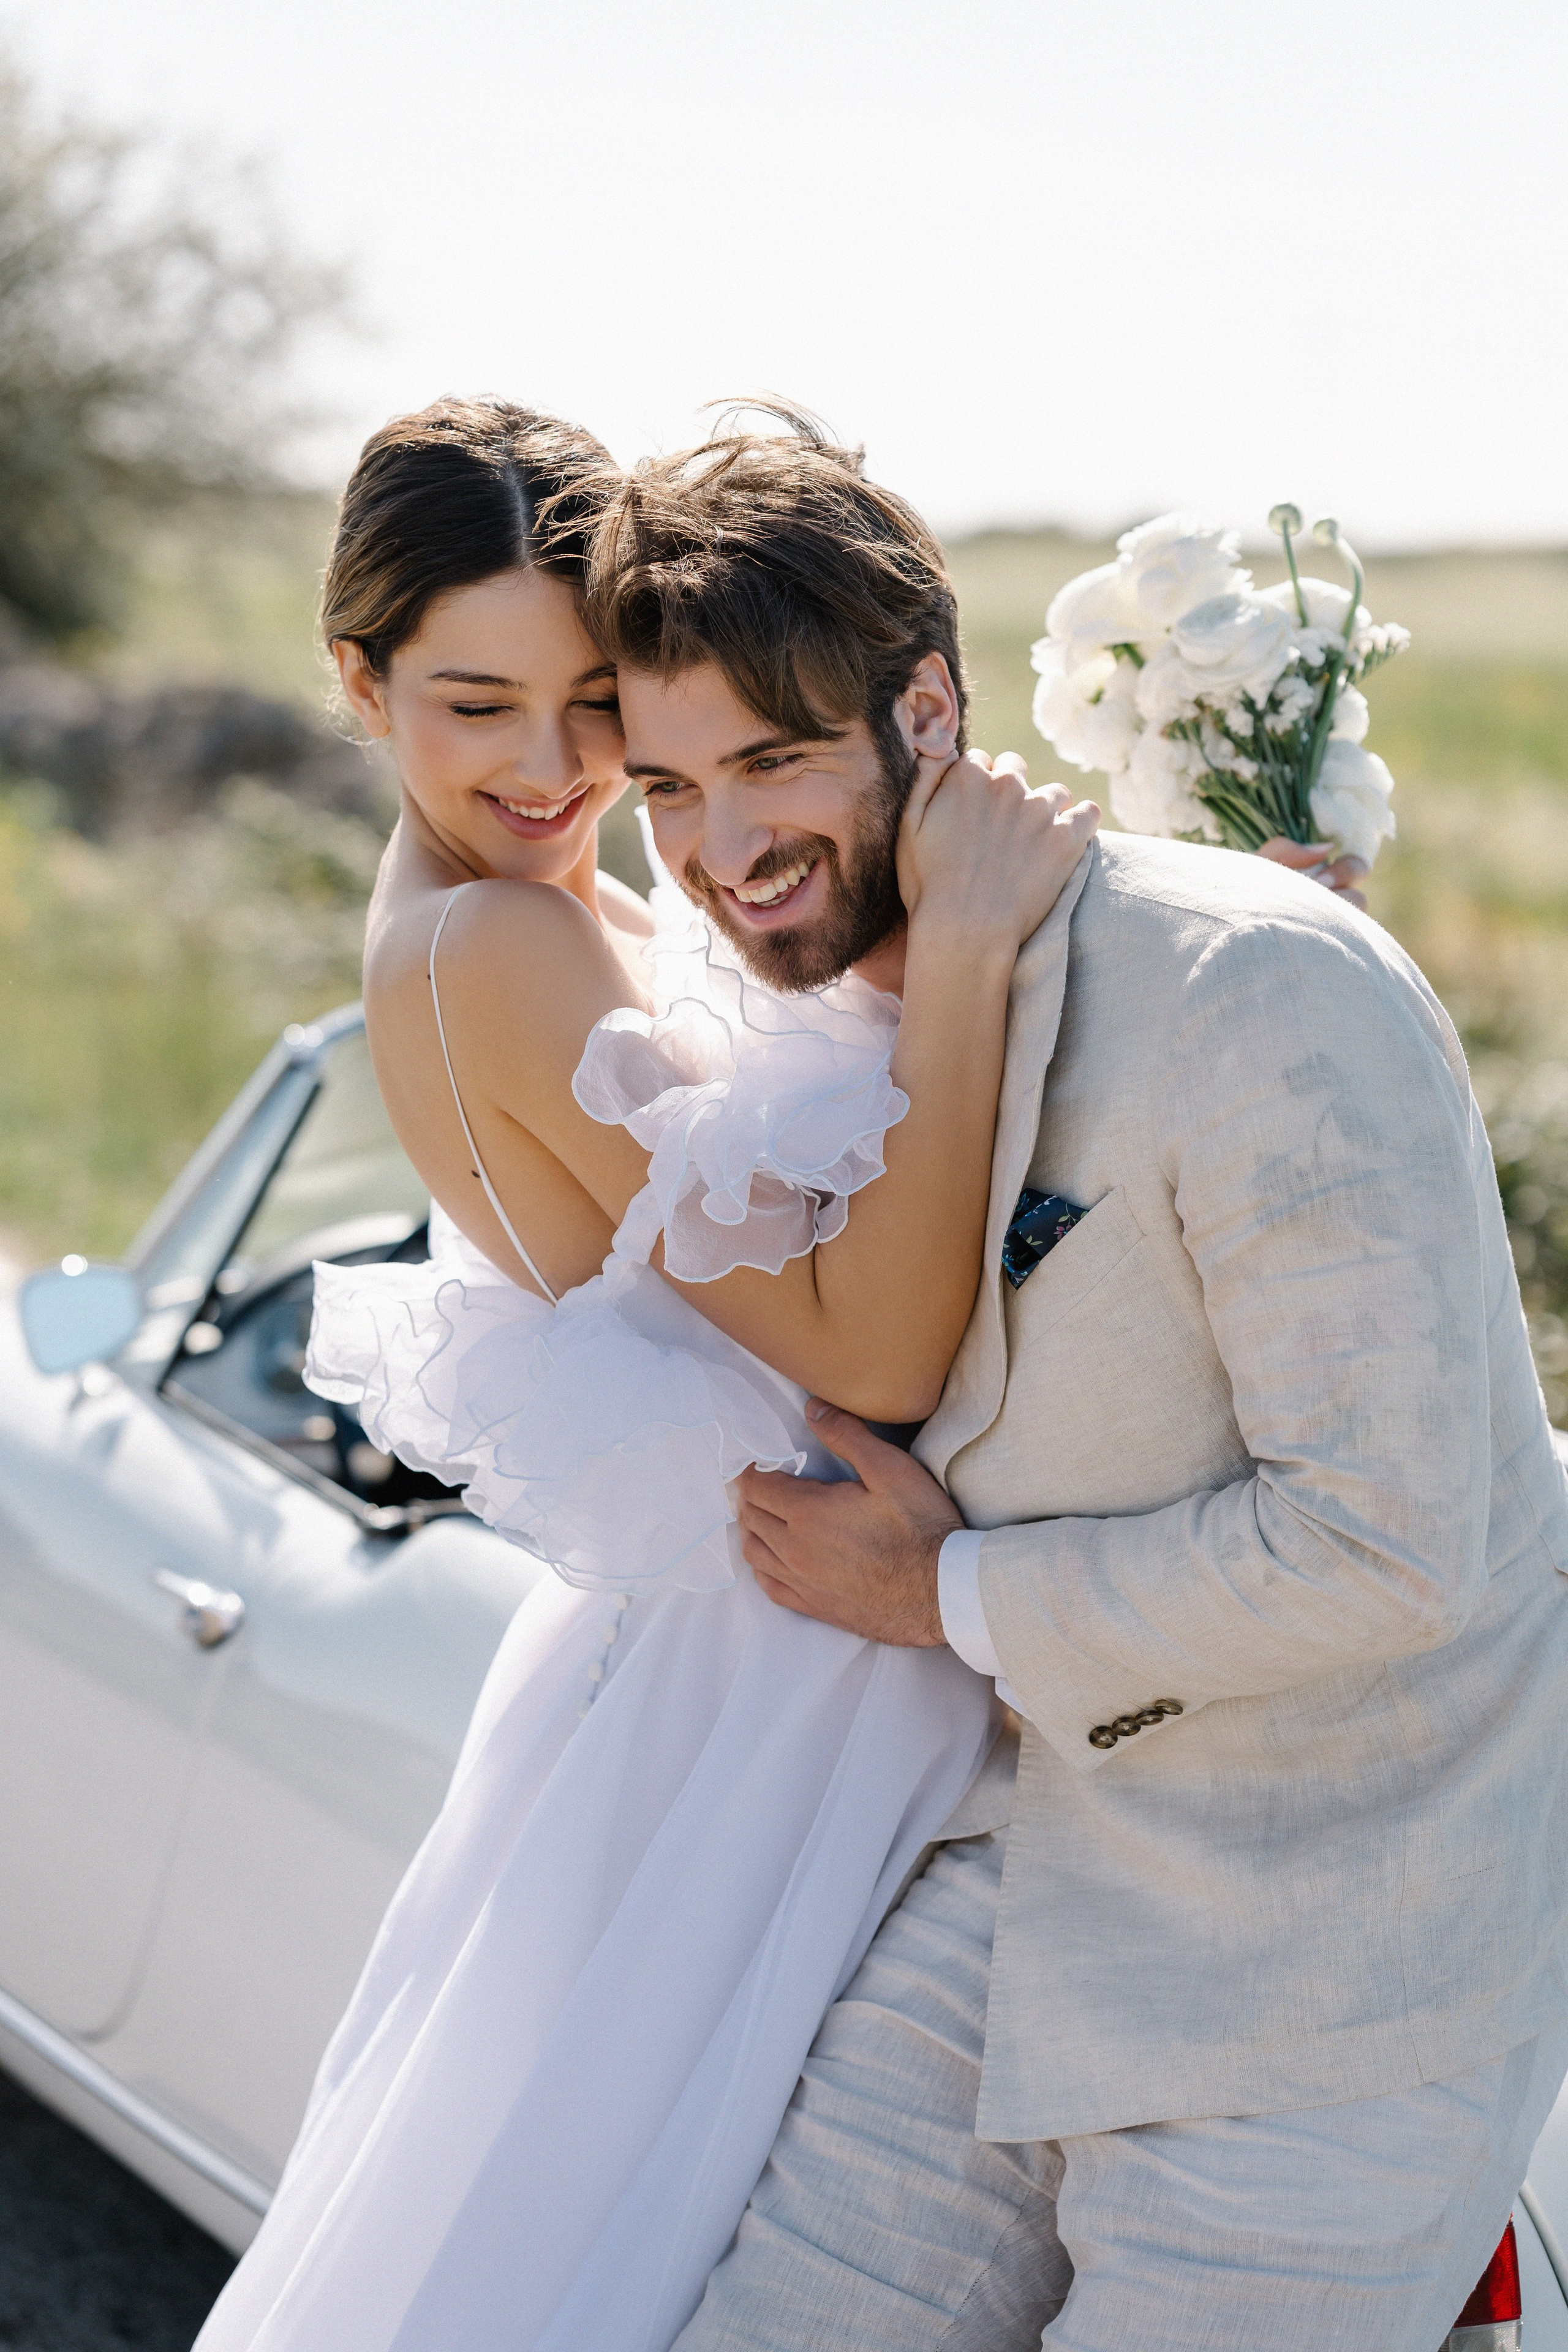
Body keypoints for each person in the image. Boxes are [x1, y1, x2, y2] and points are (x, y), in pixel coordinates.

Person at [577, 413, 1568, 2351]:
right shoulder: (843, 1026)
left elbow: (1388, 1543)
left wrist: (931, 1593)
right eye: (670, 787)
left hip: (1333, 1984)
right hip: (1020, 1902)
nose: (720, 850)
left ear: (928, 713)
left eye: (775, 761)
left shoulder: (1254, 985)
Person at [190, 396, 1099, 2352]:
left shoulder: (543, 911)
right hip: (765, 1657)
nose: (551, 767)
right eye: (472, 703)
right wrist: (959, 962)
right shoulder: (504, 944)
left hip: (751, 1635)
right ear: (358, 681)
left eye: (593, 703)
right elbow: (868, 1338)